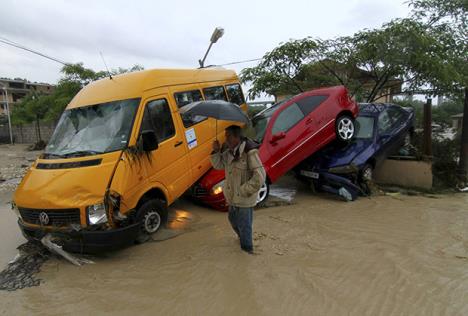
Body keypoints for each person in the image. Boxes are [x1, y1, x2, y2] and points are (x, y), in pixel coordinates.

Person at [211, 125, 266, 254]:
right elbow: (218, 165)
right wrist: (216, 151)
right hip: (232, 198)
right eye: (226, 136)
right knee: (232, 220)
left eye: (228, 136)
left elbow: (260, 176)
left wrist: (243, 190)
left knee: (244, 226)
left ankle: (247, 252)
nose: (226, 139)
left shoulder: (249, 152)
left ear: (237, 137)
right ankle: (243, 240)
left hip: (244, 198)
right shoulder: (229, 152)